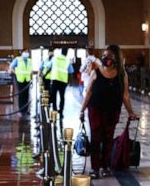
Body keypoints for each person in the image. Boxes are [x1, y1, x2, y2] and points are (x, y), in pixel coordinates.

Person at [79, 45, 138, 178]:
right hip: (95, 110)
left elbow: (125, 96)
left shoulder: (122, 75)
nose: (106, 59)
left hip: (112, 110)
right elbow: (88, 93)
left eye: (109, 57)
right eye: (104, 56)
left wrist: (131, 112)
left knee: (108, 139)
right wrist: (82, 110)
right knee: (95, 138)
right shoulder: (96, 72)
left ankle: (105, 166)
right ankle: (95, 168)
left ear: (116, 59)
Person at [49, 47, 71, 114]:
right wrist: (69, 81)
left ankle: (54, 109)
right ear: (66, 53)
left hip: (55, 80)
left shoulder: (54, 58)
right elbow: (71, 71)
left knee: (54, 95)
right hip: (63, 81)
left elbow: (48, 66)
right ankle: (61, 111)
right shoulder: (68, 60)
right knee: (62, 96)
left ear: (61, 52)